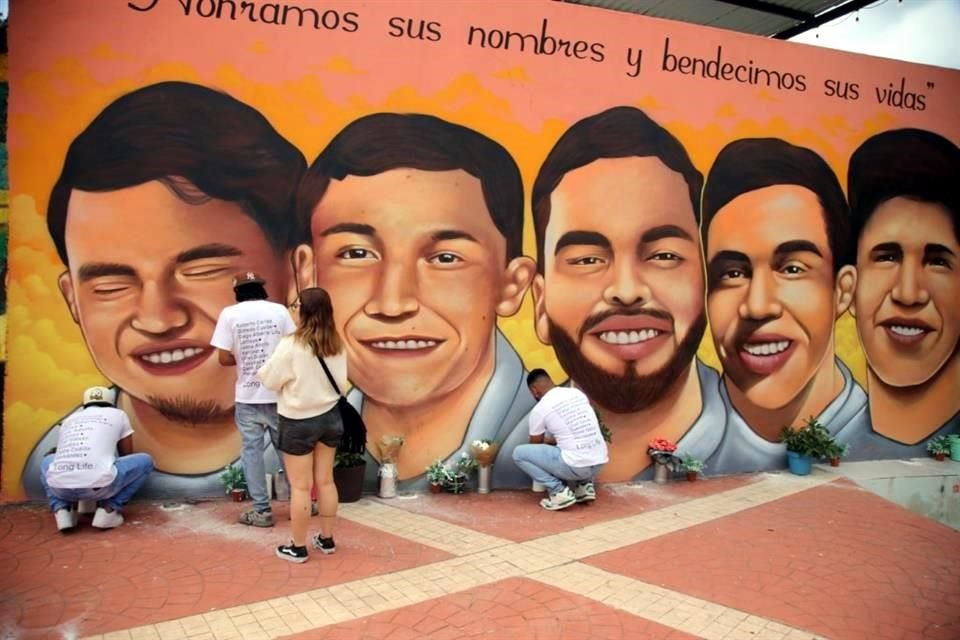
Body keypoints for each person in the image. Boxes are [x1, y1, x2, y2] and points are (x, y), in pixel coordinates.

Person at [21, 81, 305, 498]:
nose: (157, 318)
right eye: (112, 285)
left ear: (299, 271)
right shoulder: (44, 468)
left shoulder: (353, 442)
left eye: (203, 269)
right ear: (72, 299)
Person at [292, 113, 537, 488]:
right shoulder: (324, 435)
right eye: (356, 254)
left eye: (445, 258)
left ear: (511, 285)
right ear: (308, 275)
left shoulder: (535, 438)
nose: (393, 303)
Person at [501, 106, 724, 483]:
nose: (627, 291)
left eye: (665, 255)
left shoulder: (757, 433)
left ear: (705, 281)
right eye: (587, 259)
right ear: (540, 302)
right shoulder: (505, 454)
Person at [701, 138, 867, 473]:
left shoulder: (882, 438)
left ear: (843, 290)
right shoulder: (687, 436)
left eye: (792, 269)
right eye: (732, 273)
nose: (758, 305)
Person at [845, 128, 959, 456]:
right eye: (887, 257)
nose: (908, 294)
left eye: (937, 261)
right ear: (849, 286)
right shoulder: (825, 437)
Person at [259, 287, 346, 562]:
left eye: (296, 306)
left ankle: (297, 547)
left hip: (298, 421)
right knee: (326, 481)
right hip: (330, 417)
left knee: (300, 487)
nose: (292, 310)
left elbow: (270, 379)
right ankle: (327, 539)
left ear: (304, 312)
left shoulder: (291, 345)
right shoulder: (336, 342)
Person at [211, 272, 296, 526]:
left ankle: (261, 511)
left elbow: (223, 358)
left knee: (252, 453)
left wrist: (246, 357)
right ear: (262, 289)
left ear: (237, 292)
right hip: (279, 394)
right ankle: (301, 503)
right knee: (288, 451)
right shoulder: (280, 311)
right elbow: (293, 348)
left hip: (248, 396)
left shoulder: (229, 315)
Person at [40, 386, 154, 531]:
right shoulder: (118, 414)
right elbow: (127, 454)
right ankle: (109, 511)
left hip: (60, 489)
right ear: (110, 402)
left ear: (84, 404)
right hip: (101, 487)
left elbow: (66, 452)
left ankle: (62, 510)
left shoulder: (69, 419)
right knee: (145, 461)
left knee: (47, 461)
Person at [512, 369, 608, 511]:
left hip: (575, 466)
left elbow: (535, 445)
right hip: (599, 462)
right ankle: (584, 487)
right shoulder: (576, 393)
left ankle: (558, 492)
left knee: (519, 454)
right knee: (578, 439)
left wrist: (548, 440)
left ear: (534, 390)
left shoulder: (541, 408)